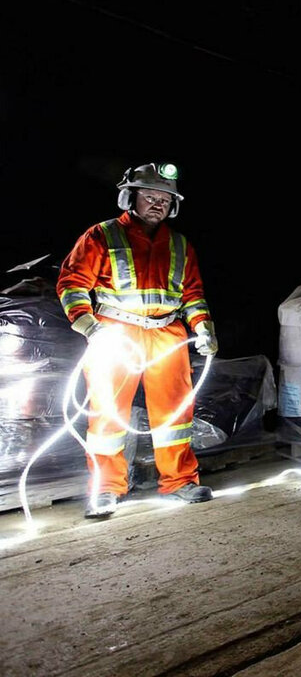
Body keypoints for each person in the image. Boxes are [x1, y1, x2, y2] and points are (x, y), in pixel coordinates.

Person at [57, 163, 219, 518]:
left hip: (168, 334)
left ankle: (179, 481)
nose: (158, 204)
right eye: (150, 196)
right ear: (130, 197)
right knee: (108, 415)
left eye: (165, 199)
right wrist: (88, 326)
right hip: (114, 332)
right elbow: (72, 284)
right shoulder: (101, 235)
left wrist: (203, 327)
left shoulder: (180, 244)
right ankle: (106, 489)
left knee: (176, 415)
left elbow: (192, 294)